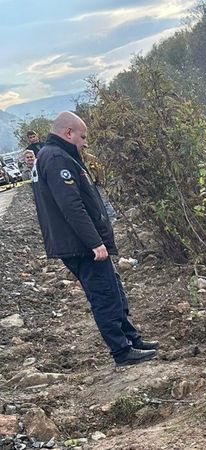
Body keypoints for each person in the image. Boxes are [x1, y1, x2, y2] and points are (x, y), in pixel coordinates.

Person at [31, 111, 158, 367]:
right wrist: (94, 242)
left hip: (81, 244)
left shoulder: (57, 155)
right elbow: (72, 206)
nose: (85, 142)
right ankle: (122, 351)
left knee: (114, 290)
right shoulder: (56, 158)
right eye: (83, 136)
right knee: (105, 296)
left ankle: (131, 339)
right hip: (80, 246)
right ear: (68, 133)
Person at [80, 148, 117, 224]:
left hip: (95, 183)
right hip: (86, 185)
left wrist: (101, 180)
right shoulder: (75, 160)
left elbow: (100, 169)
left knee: (104, 200)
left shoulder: (90, 158)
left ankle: (112, 217)